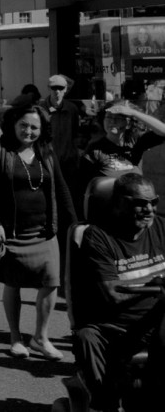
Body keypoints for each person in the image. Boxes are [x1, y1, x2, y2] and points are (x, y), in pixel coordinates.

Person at [0, 103, 76, 360]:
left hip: (44, 230)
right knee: (13, 283)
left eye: (35, 127)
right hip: (11, 230)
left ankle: (40, 338)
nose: (29, 131)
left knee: (51, 281)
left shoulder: (46, 151)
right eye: (23, 125)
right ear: (13, 124)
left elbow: (62, 188)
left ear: (42, 129)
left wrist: (76, 224)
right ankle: (15, 338)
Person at [68, 172, 165, 411]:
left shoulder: (162, 227)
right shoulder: (97, 236)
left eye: (154, 203)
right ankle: (103, 401)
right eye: (140, 204)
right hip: (114, 327)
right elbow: (113, 295)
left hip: (156, 323)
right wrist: (155, 284)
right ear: (120, 202)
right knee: (85, 337)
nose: (149, 210)